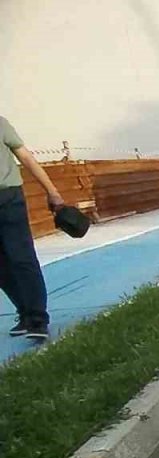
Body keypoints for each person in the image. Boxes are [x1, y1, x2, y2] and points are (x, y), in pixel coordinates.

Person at [1, 115, 62, 341]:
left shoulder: (0, 123)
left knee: (21, 257)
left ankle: (38, 318)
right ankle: (26, 313)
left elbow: (26, 157)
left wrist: (52, 191)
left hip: (8, 197)